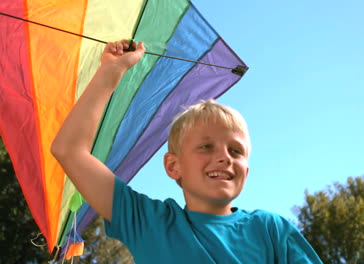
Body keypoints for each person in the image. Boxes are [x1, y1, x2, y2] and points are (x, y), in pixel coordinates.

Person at [51, 40, 322, 263]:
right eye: (206, 146)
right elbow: (69, 150)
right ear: (173, 166)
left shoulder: (270, 229)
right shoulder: (150, 223)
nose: (225, 157)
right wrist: (111, 71)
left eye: (236, 151)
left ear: (246, 171)